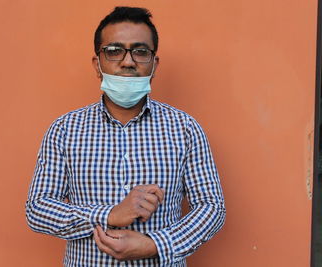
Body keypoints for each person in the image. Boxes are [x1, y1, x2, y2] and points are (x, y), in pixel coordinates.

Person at [26, 6, 226, 267]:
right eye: (114, 50)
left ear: (154, 65)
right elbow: (38, 209)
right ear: (98, 64)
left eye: (140, 51)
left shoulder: (185, 128)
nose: (128, 61)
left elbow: (212, 208)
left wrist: (156, 244)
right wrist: (110, 214)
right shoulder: (65, 130)